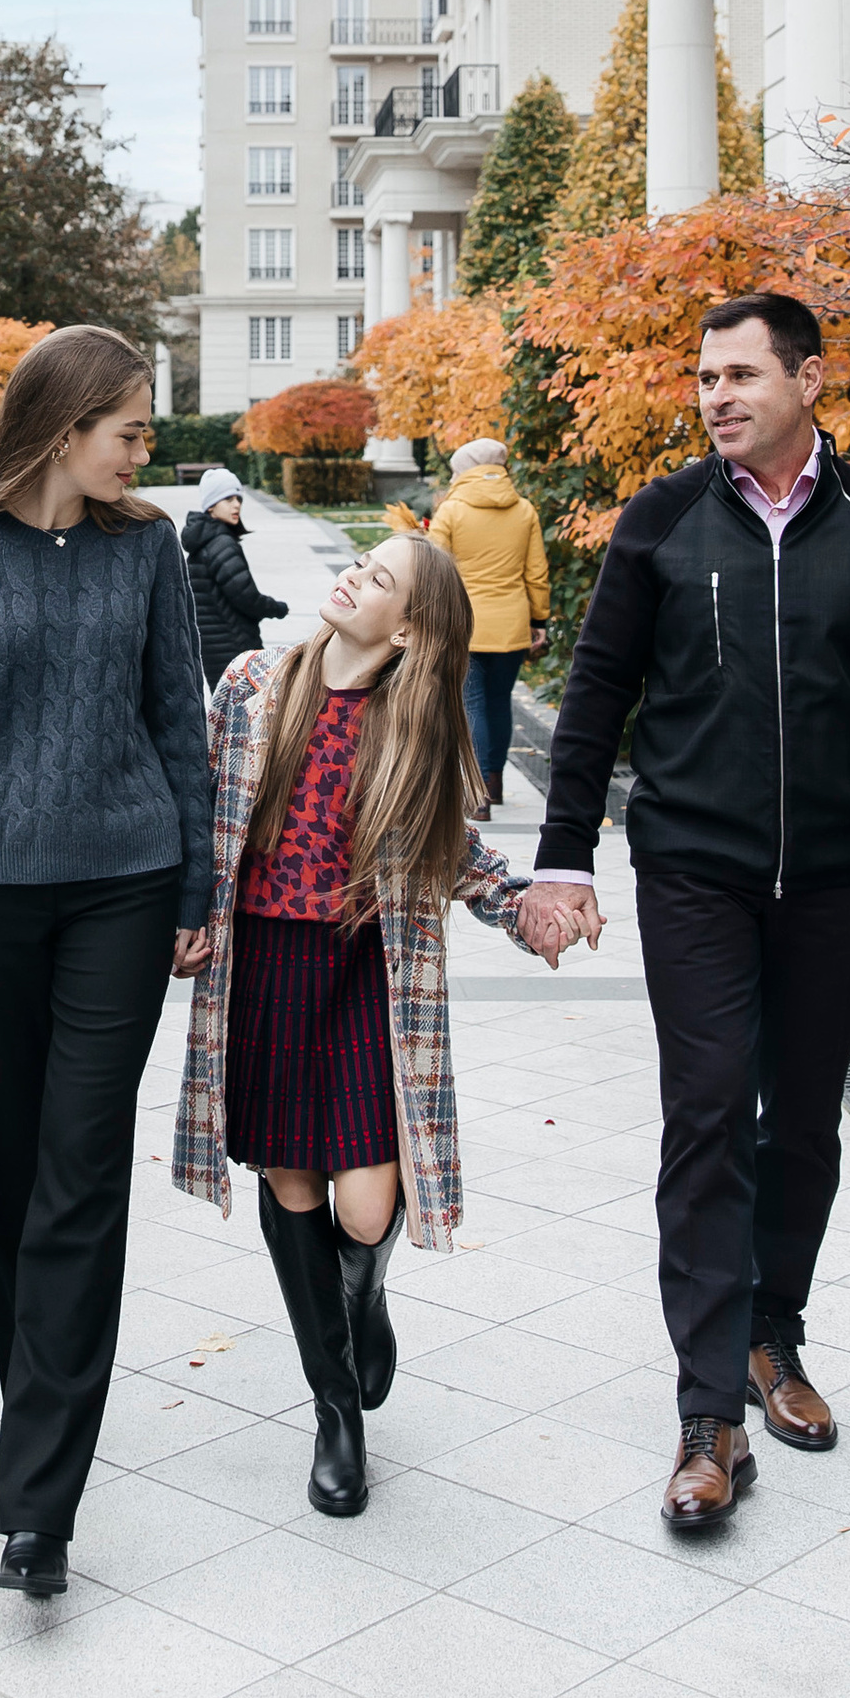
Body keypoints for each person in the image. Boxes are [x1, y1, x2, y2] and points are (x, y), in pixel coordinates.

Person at [528, 292, 850, 1532]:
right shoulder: (662, 519)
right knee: (710, 1111)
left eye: (739, 374)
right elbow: (596, 694)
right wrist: (563, 859)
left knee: (804, 1125)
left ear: (808, 380)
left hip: (837, 875)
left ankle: (770, 1334)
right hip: (695, 870)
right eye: (704, 377)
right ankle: (705, 1417)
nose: (715, 395)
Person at [0, 323, 214, 1599]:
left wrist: (195, 884)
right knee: (9, 1180)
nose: (143, 450)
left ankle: (39, 1505)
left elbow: (177, 718)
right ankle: (42, 1424)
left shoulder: (148, 548)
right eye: (128, 430)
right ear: (61, 428)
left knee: (81, 1170)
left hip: (124, 885)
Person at [174, 528, 567, 1513]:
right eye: (360, 565)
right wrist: (172, 915)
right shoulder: (253, 684)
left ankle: (363, 1293)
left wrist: (523, 906)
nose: (353, 578)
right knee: (289, 1180)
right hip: (264, 968)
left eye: (378, 578)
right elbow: (196, 809)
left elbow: (456, 852)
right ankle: (335, 1410)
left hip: (362, 975)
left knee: (364, 1209)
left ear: (408, 631)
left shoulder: (413, 728)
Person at [427, 437, 549, 809]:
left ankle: (476, 790)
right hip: (511, 624)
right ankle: (494, 785)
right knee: (499, 702)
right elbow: (536, 572)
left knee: (472, 703)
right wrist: (539, 619)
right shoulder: (524, 510)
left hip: (465, 625)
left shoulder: (451, 511)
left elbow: (434, 569)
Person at [180, 468, 290, 688]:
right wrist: (277, 608)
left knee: (225, 706)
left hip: (213, 650)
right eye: (228, 499)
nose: (236, 505)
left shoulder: (203, 542)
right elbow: (246, 597)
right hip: (235, 646)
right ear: (211, 505)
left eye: (238, 499)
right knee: (251, 706)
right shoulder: (221, 544)